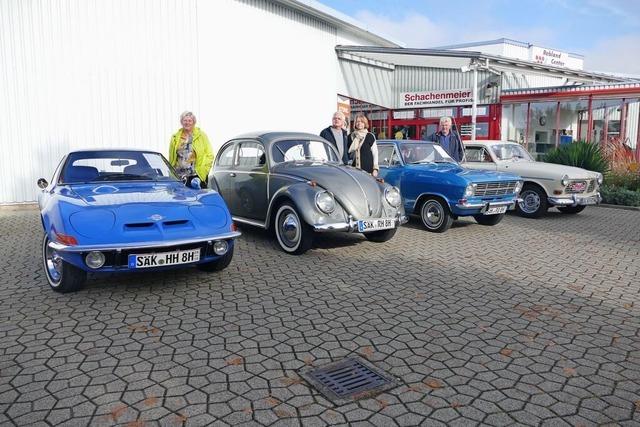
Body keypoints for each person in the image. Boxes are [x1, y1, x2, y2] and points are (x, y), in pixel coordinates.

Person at [169, 111, 214, 188]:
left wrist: (204, 170)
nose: (187, 123)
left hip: (196, 175)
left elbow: (209, 154)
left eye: (190, 121)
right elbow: (171, 157)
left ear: (194, 122)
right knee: (180, 199)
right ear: (181, 122)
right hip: (179, 176)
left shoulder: (201, 135)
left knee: (197, 198)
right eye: (185, 120)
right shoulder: (175, 137)